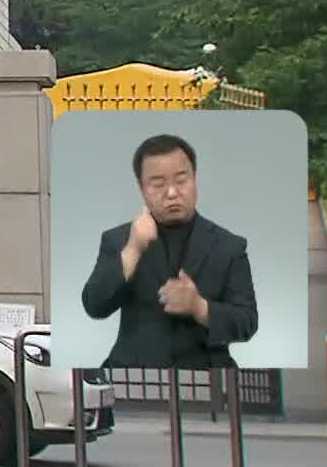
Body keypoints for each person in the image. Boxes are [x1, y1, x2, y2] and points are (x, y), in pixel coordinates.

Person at [80, 133, 259, 369]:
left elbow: (247, 321)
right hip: (133, 379)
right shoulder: (119, 240)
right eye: (158, 184)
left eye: (181, 180)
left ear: (195, 179)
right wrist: (133, 250)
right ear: (142, 189)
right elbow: (95, 305)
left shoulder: (229, 246)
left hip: (207, 379)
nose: (172, 192)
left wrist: (199, 307)